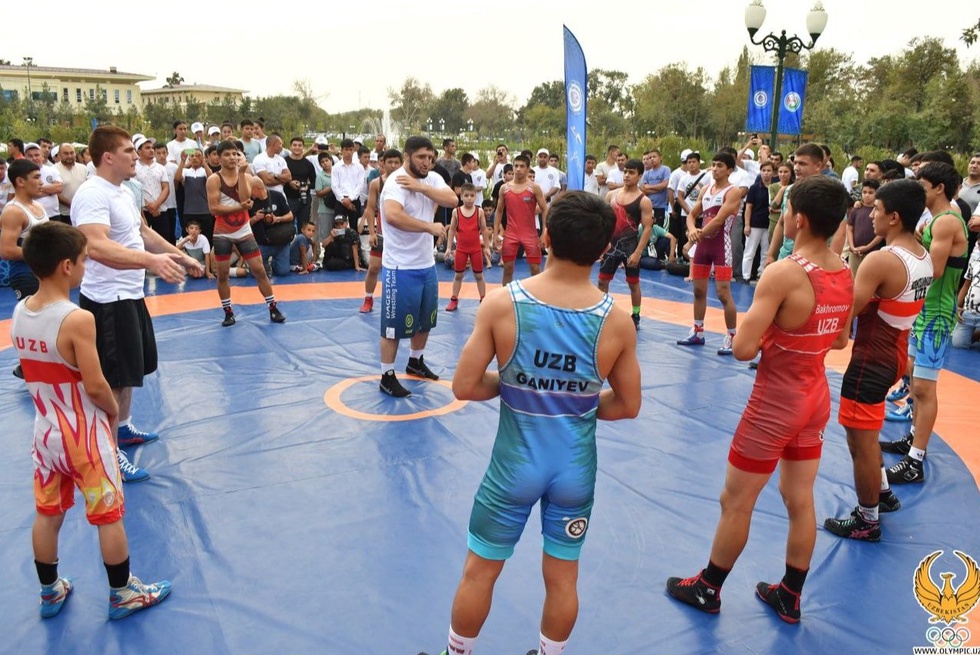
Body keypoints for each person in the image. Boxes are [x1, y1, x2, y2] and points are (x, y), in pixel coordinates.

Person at [444, 191, 640, 655]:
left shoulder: (503, 304)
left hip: (513, 469)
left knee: (479, 572)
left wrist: (522, 384)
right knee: (563, 577)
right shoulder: (616, 320)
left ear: (546, 237)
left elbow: (464, 386)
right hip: (574, 469)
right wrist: (573, 399)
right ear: (602, 251)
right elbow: (627, 405)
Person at [666, 175, 853, 624]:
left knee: (736, 500)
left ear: (799, 219)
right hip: (814, 398)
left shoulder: (785, 273)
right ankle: (790, 594)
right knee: (800, 499)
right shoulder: (844, 271)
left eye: (785, 210)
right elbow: (840, 340)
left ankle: (708, 588)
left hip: (775, 404)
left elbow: (743, 348)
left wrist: (773, 331)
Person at [12, 221, 172, 620]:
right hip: (84, 436)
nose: (86, 267)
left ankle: (50, 590)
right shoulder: (77, 318)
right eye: (84, 260)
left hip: (46, 432)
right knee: (108, 514)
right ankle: (123, 593)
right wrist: (113, 413)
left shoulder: (20, 311)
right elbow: (97, 385)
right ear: (67, 266)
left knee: (48, 513)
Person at [71, 126, 204, 483]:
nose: (136, 155)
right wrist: (150, 262)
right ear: (107, 157)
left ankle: (123, 427)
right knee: (113, 378)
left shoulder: (123, 190)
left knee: (129, 370)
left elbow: (143, 233)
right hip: (108, 300)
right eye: (129, 151)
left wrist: (179, 255)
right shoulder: (92, 194)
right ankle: (108, 450)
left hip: (129, 294)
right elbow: (95, 246)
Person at [825, 180, 932, 542]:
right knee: (866, 437)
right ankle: (882, 492)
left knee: (860, 443)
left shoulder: (882, 260)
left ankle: (867, 519)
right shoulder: (922, 254)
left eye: (878, 210)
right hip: (895, 351)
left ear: (894, 217)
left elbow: (847, 314)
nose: (871, 215)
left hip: (871, 360)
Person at [879, 162, 969, 484]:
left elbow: (937, 269)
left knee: (923, 387)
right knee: (914, 377)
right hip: (926, 310)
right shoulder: (935, 220)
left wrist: (909, 255)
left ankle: (915, 461)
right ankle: (914, 438)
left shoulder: (946, 222)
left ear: (939, 188)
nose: (918, 190)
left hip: (937, 314)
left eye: (923, 185)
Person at [377, 136, 458, 397]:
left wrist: (422, 188)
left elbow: (452, 200)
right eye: (421, 157)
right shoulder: (396, 182)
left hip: (425, 264)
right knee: (393, 327)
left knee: (425, 320)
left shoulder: (431, 178)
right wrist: (428, 227)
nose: (427, 162)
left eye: (430, 158)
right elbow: (393, 216)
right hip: (400, 266)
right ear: (407, 156)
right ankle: (387, 375)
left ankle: (415, 361)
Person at [207, 140, 287, 327]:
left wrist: (242, 174)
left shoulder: (247, 177)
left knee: (259, 270)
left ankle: (273, 307)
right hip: (222, 232)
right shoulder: (214, 180)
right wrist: (239, 208)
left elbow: (244, 198)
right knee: (222, 274)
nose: (232, 158)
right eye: (227, 154)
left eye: (235, 154)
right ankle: (228, 312)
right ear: (219, 158)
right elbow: (214, 209)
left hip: (243, 230)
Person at [676, 152, 742, 354]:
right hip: (703, 247)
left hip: (721, 247)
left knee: (723, 293)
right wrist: (692, 230)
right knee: (698, 291)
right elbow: (692, 215)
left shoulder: (733, 192)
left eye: (719, 165)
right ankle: (698, 331)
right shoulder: (706, 189)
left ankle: (732, 336)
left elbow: (719, 221)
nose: (715, 169)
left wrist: (695, 236)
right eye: (713, 165)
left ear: (729, 170)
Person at [600, 158, 653, 329]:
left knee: (633, 283)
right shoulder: (611, 195)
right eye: (625, 172)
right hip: (611, 246)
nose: (627, 175)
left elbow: (647, 228)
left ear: (639, 176)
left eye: (631, 172)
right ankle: (601, 312)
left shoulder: (643, 201)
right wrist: (602, 244)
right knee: (602, 281)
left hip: (630, 247)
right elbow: (604, 222)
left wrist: (638, 252)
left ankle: (636, 314)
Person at [494, 155, 548, 286]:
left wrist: (544, 232)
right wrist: (495, 234)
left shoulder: (534, 188)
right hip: (511, 234)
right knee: (507, 268)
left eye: (522, 166)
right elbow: (499, 211)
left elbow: (545, 209)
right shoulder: (504, 188)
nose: (518, 169)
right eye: (516, 166)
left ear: (528, 169)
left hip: (530, 234)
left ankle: (537, 295)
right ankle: (506, 295)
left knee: (535, 269)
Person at [358, 149, 401, 312]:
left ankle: (400, 300)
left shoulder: (406, 182)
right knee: (374, 267)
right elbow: (370, 209)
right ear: (383, 163)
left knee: (401, 270)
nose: (393, 165)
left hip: (401, 234)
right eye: (390, 162)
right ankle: (368, 298)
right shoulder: (377, 183)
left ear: (401, 164)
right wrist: (372, 233)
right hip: (382, 233)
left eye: (396, 162)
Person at [446, 184, 489, 311]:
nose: (469, 198)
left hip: (476, 249)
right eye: (466, 195)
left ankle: (483, 299)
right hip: (461, 249)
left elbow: (484, 230)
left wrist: (487, 247)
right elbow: (452, 230)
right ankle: (454, 299)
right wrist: (448, 247)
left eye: (472, 195)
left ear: (475, 196)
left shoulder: (479, 212)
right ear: (461, 197)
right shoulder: (456, 212)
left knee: (479, 275)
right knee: (458, 275)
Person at [742, 161, 774, 282]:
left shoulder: (774, 187)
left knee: (766, 252)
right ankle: (746, 275)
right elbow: (748, 207)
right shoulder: (754, 188)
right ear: (760, 172)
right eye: (763, 170)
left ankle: (762, 274)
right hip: (755, 224)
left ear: (773, 172)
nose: (766, 173)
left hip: (769, 224)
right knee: (750, 251)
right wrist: (747, 225)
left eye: (769, 170)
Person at [846, 179, 882, 276]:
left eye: (870, 192)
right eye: (864, 192)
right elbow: (849, 228)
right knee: (853, 277)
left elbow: (881, 234)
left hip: (872, 252)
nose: (867, 195)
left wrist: (867, 247)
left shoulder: (879, 211)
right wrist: (852, 247)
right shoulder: (856, 209)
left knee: (869, 277)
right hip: (854, 252)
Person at [954, 240, 980, 349]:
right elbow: (966, 285)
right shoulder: (974, 261)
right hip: (969, 313)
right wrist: (956, 307)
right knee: (958, 344)